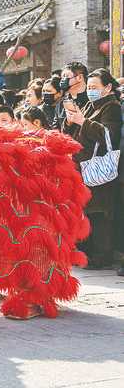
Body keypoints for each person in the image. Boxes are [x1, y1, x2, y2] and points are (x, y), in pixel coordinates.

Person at [62, 69, 122, 269]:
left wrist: (83, 122)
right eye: (89, 87)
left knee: (99, 213)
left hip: (98, 169)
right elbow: (74, 130)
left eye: (95, 87)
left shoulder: (112, 106)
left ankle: (101, 255)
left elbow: (109, 136)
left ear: (108, 88)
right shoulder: (90, 104)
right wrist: (70, 121)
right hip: (82, 166)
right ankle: (86, 252)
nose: (90, 91)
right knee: (85, 211)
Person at [57, 62, 89, 131]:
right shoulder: (61, 103)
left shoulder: (91, 100)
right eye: (62, 77)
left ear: (80, 77)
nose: (63, 80)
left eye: (66, 76)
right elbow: (56, 128)